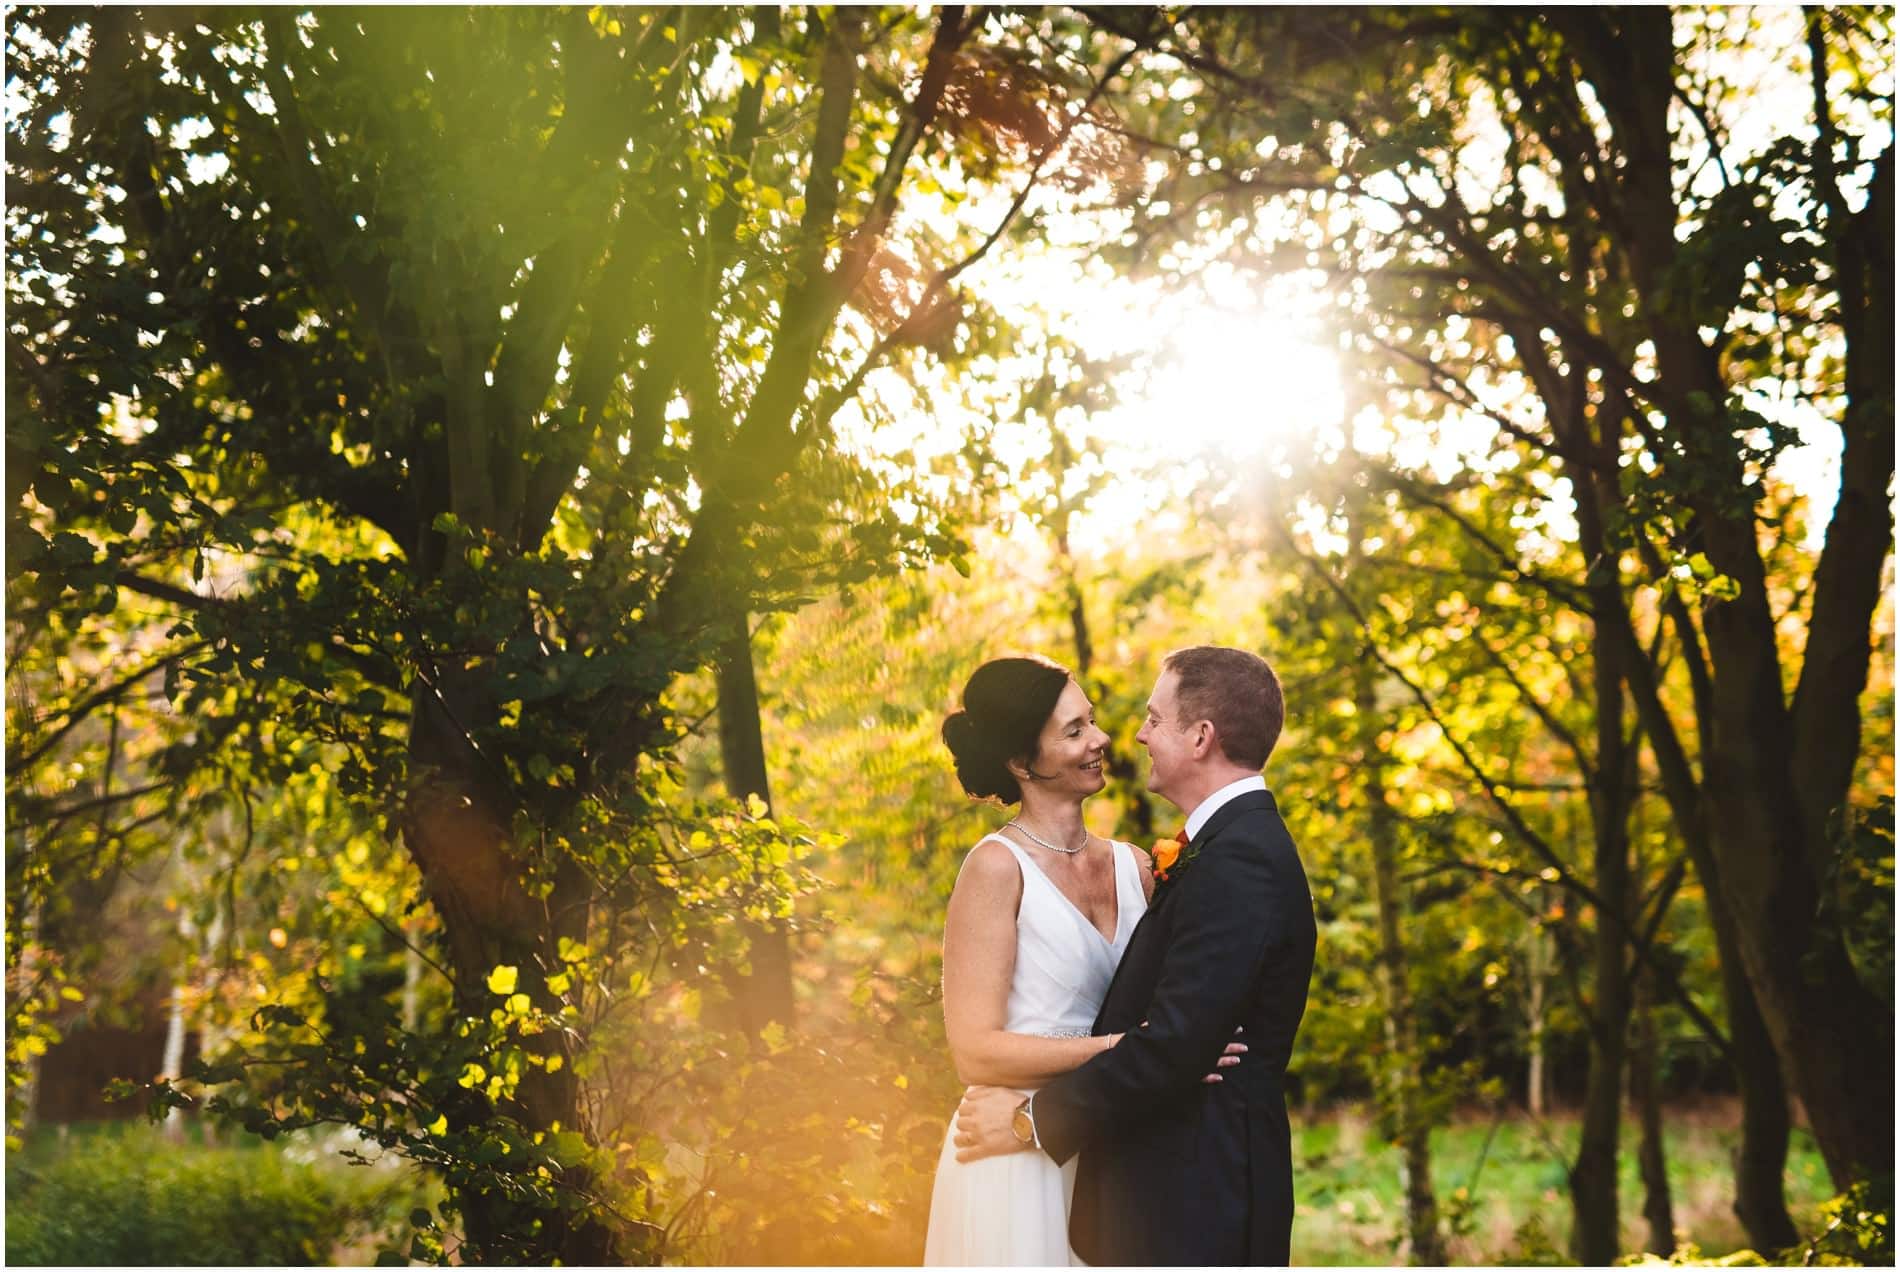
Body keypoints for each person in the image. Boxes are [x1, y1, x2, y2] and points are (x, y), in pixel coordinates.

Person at [952, 645, 1316, 1266]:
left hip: (1177, 1180)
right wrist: (1139, 1049)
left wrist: (1029, 1120)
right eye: (1076, 729)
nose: (1126, 736)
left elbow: (1176, 1043)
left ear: (1200, 737)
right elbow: (1168, 1039)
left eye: (1154, 718)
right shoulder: (1212, 850)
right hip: (1087, 1160)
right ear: (1021, 761)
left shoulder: (1191, 861)